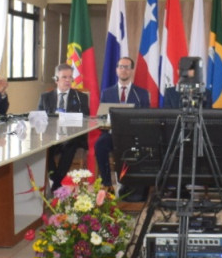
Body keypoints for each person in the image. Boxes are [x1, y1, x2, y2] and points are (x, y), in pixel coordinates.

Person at [95, 56, 151, 187]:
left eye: (127, 67)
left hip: (133, 136)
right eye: (121, 67)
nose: (123, 70)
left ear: (131, 70)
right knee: (100, 145)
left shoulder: (141, 94)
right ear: (116, 70)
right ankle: (107, 182)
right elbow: (102, 117)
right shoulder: (107, 93)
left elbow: (146, 118)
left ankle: (131, 183)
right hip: (111, 133)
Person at [36, 64, 90, 190]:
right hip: (51, 137)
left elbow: (86, 119)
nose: (67, 80)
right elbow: (39, 119)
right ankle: (57, 179)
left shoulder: (81, 97)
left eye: (70, 77)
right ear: (56, 79)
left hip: (72, 136)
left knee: (70, 144)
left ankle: (56, 183)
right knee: (43, 148)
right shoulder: (45, 97)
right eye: (64, 77)